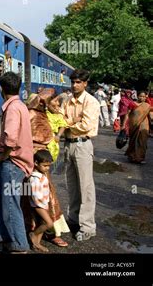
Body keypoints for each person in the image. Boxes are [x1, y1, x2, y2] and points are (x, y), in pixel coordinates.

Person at [0, 72, 33, 254]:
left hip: (13, 164)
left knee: (10, 205)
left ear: (1, 88)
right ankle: (2, 240)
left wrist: (3, 156)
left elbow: (11, 139)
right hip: (15, 163)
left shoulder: (12, 108)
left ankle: (19, 246)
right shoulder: (20, 105)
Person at [25, 90, 70, 247]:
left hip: (41, 160)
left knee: (45, 196)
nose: (58, 104)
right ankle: (41, 231)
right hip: (32, 161)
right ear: (44, 102)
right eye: (55, 101)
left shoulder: (44, 114)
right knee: (37, 197)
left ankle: (48, 231)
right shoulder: (31, 114)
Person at [60, 69, 100, 241]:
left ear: (85, 83)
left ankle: (88, 227)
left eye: (78, 82)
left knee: (86, 186)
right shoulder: (67, 100)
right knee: (72, 185)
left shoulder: (91, 102)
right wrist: (71, 122)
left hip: (83, 145)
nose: (75, 85)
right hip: (68, 145)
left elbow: (85, 125)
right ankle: (74, 219)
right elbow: (59, 120)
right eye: (73, 82)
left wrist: (67, 124)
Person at [28, 150, 54, 252]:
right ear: (36, 163)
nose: (47, 168)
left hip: (43, 203)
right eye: (45, 166)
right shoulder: (34, 178)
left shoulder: (41, 175)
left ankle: (36, 244)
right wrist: (43, 204)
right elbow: (35, 196)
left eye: (48, 166)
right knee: (49, 223)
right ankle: (33, 235)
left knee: (41, 223)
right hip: (38, 205)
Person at [125, 91, 152, 164]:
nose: (142, 98)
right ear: (137, 96)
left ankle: (140, 158)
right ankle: (132, 156)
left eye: (143, 96)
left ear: (146, 97)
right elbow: (128, 114)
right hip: (134, 126)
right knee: (133, 141)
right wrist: (124, 125)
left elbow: (150, 116)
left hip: (144, 125)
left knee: (142, 142)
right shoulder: (133, 104)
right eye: (140, 96)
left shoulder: (147, 106)